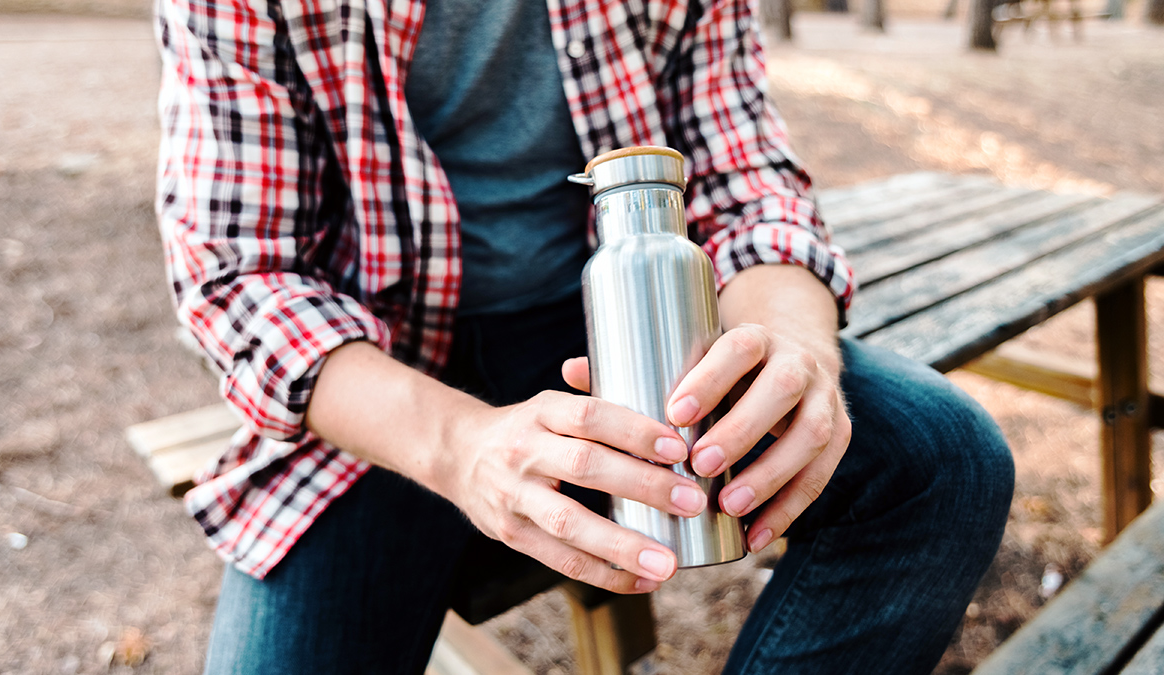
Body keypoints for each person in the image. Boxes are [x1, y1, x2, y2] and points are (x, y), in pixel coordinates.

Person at [153, 0, 1015, 672]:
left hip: (633, 330)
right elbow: (238, 278)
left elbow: (748, 184)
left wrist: (792, 348)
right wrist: (463, 446)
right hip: (384, 373)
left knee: (944, 457)